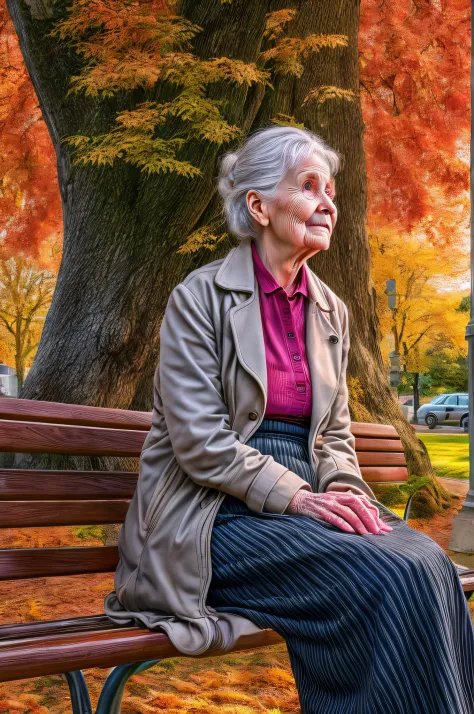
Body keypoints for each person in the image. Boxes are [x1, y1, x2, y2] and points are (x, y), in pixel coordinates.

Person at [104, 125, 474, 713]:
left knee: (428, 565)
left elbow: (332, 435)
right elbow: (200, 444)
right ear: (258, 206)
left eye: (331, 189)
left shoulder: (331, 309)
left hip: (306, 500)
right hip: (212, 515)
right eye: (308, 186)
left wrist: (349, 500)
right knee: (390, 579)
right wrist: (302, 499)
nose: (328, 202)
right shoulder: (198, 298)